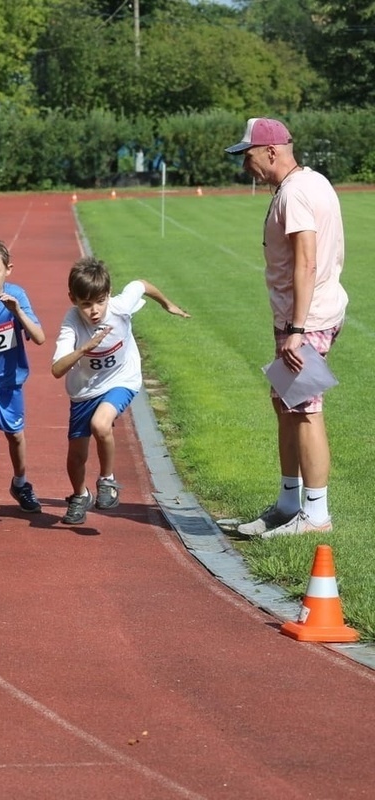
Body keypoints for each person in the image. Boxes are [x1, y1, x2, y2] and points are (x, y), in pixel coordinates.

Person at [225, 118, 348, 538]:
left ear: (271, 151)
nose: (245, 165)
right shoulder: (312, 182)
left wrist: (296, 328)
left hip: (306, 319)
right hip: (309, 314)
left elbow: (306, 261)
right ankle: (288, 503)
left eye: (249, 155)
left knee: (305, 409)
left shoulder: (295, 193)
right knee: (286, 405)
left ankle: (315, 515)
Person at [51, 258, 189, 525]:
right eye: (86, 304)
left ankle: (107, 480)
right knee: (76, 456)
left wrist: (167, 304)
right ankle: (80, 495)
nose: (94, 311)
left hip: (122, 379)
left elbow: (142, 284)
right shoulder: (71, 324)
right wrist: (83, 349)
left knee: (101, 425)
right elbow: (57, 369)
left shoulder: (120, 306)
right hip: (85, 390)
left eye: (100, 301)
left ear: (109, 293)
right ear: (73, 299)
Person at [0, 239, 47, 513]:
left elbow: (39, 337)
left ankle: (21, 483)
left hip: (11, 380)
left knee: (15, 436)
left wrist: (17, 312)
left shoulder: (17, 296)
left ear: (8, 270)